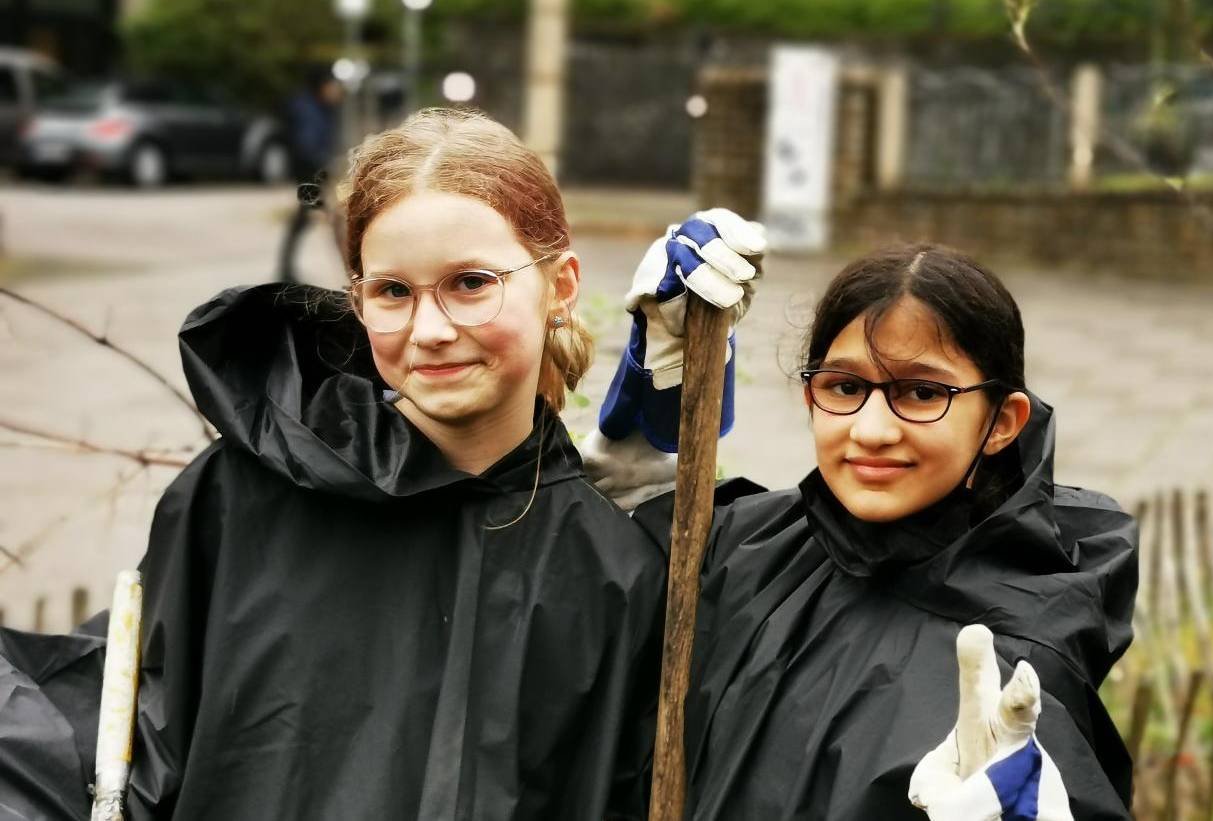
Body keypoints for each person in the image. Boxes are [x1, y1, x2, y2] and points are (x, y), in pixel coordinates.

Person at [0, 108, 677, 820]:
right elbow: (134, 731)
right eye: (392, 292)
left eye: (472, 282)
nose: (432, 330)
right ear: (356, 298)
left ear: (561, 284)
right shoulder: (245, 494)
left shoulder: (613, 567)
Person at [584, 242, 1138, 819]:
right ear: (810, 397)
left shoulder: (1017, 661)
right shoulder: (740, 544)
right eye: (845, 388)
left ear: (1002, 422)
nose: (871, 430)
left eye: (923, 393)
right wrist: (635, 444)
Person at [274, 65, 342, 285]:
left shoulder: (316, 106)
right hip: (310, 173)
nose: (336, 90)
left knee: (308, 219)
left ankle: (285, 269)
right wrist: (323, 171)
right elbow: (308, 145)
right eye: (332, 85)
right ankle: (352, 273)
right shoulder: (308, 109)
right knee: (331, 220)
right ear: (322, 86)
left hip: (312, 173)